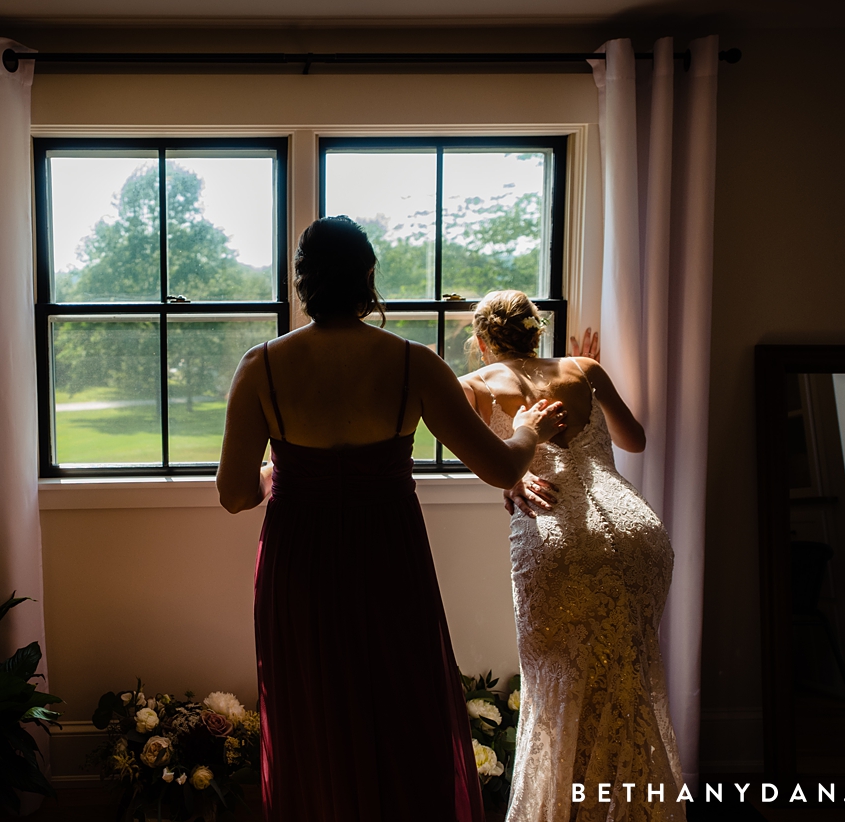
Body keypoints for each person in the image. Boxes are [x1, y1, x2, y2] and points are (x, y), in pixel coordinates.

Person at [216, 218, 565, 822]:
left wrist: (282, 472)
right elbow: (500, 467)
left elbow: (234, 494)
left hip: (300, 565)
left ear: (302, 281)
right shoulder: (413, 364)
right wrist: (529, 429)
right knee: (402, 706)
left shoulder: (262, 367)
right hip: (388, 559)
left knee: (312, 712)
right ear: (368, 278)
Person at [457, 291, 685, 822]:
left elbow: (484, 460)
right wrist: (593, 378)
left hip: (556, 533)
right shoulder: (584, 368)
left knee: (559, 684)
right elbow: (636, 439)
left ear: (484, 341)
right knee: (629, 676)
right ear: (537, 332)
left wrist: (510, 483)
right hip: (637, 531)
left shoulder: (471, 385)